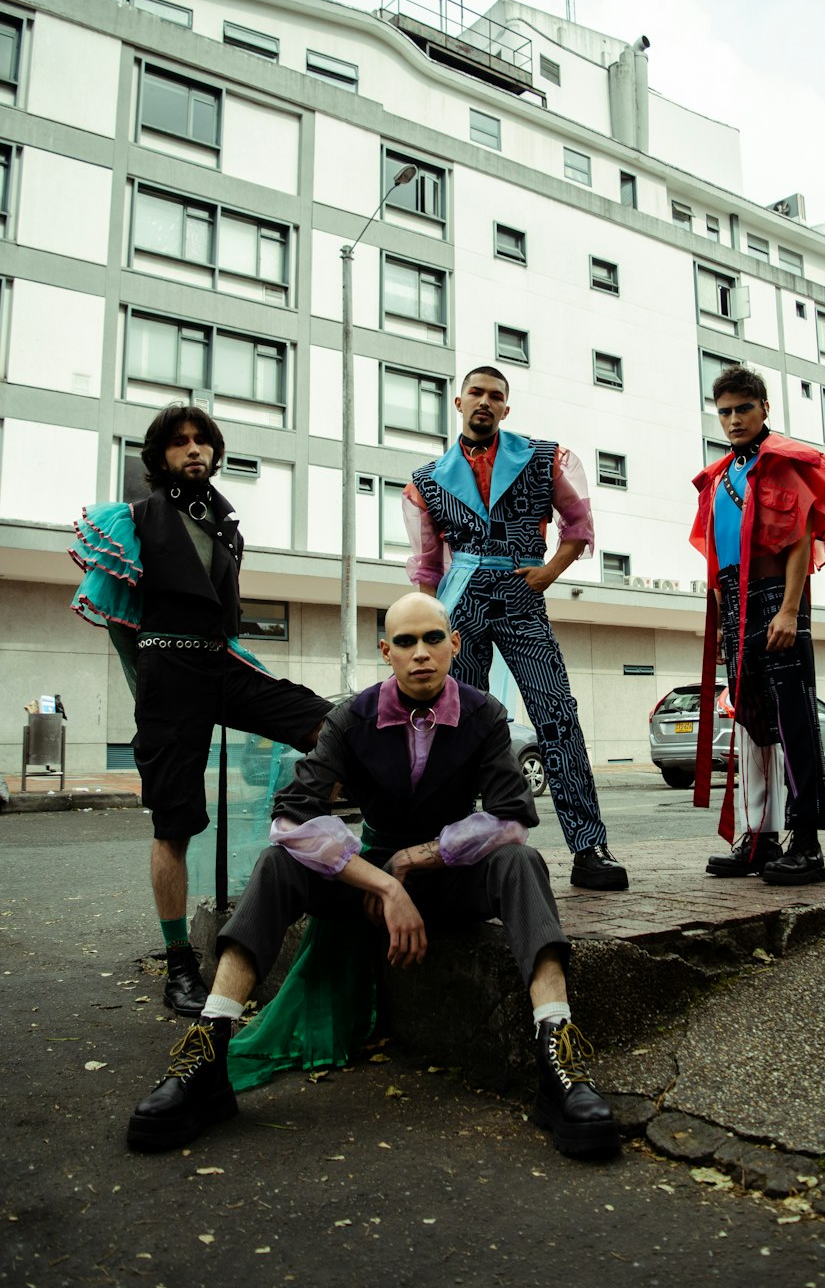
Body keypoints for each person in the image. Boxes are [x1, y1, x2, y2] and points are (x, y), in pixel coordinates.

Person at [126, 592, 619, 1159]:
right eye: (405, 642)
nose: (421, 654)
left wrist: (419, 858)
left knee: (522, 862)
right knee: (278, 864)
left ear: (455, 644)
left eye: (433, 638)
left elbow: (511, 820)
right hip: (364, 885)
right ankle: (207, 1051)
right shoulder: (352, 716)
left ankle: (559, 1056)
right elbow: (290, 820)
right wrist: (381, 881)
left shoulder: (483, 713)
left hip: (446, 880)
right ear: (386, 652)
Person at [69, 405, 332, 1016]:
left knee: (330, 723)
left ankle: (311, 831)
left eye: (202, 442)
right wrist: (150, 694)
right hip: (167, 675)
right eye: (180, 443)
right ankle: (180, 962)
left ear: (214, 452)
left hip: (221, 663)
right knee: (174, 823)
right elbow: (116, 620)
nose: (193, 450)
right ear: (161, 456)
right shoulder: (131, 518)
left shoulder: (225, 523)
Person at [401, 367, 627, 892]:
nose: (484, 402)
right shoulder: (428, 480)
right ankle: (457, 848)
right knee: (457, 723)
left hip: (524, 596)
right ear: (458, 401)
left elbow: (578, 526)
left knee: (557, 713)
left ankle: (589, 846)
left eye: (495, 396)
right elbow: (427, 567)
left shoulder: (545, 459)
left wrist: (549, 572)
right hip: (461, 604)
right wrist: (431, 626)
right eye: (476, 393)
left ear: (506, 408)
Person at [689, 367, 825, 884]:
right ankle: (759, 839)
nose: (734, 420)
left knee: (794, 720)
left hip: (778, 597)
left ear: (763, 409)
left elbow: (801, 540)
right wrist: (720, 619)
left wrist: (789, 610)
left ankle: (808, 845)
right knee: (752, 723)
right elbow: (716, 553)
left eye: (743, 409)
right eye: (726, 412)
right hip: (734, 602)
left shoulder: (783, 463)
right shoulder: (716, 478)